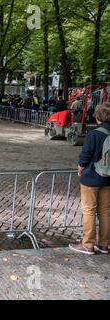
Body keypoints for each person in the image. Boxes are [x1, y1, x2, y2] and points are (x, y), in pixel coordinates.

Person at [71, 102, 110, 255]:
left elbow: (85, 156)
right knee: (105, 211)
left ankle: (87, 244)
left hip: (92, 178)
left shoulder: (94, 134)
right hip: (108, 178)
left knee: (89, 210)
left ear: (98, 116)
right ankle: (104, 244)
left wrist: (80, 168)